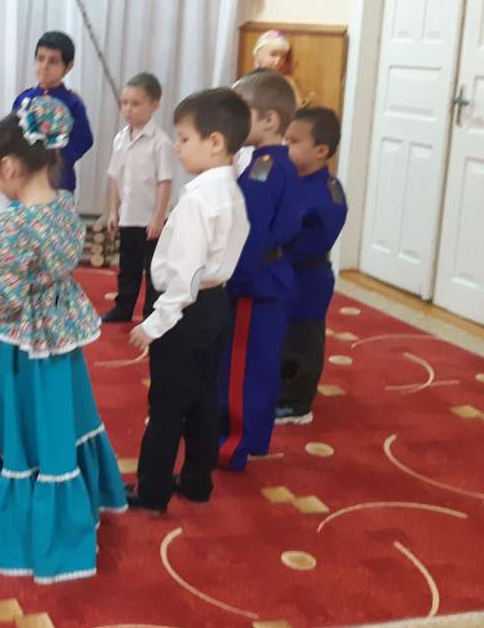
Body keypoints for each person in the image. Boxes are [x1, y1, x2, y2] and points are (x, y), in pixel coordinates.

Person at [0, 96, 126, 584]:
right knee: (55, 417)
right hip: (58, 339)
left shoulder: (11, 224)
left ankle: (21, 524)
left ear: (8, 166)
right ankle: (68, 500)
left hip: (16, 348)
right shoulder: (66, 208)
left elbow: (4, 297)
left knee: (17, 424)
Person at [124, 88, 251, 512]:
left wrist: (154, 323)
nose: (176, 147)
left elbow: (186, 274)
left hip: (184, 311)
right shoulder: (231, 190)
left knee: (166, 404)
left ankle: (152, 489)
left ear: (215, 142)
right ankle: (197, 479)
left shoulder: (198, 199)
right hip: (215, 306)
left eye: (183, 139)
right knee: (203, 396)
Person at [218, 70, 303, 471]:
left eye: (242, 112)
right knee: (258, 363)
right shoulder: (274, 164)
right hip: (270, 277)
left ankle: (232, 444)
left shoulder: (263, 171)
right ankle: (251, 436)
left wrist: (233, 281)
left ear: (269, 120)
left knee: (242, 367)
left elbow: (250, 234)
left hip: (254, 283)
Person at [276, 107, 348, 425]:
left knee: (302, 340)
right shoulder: (289, 177)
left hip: (308, 278)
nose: (284, 145)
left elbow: (314, 241)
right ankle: (278, 390)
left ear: (320, 151)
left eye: (293, 141)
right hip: (281, 273)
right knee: (279, 336)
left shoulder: (327, 193)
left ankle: (297, 403)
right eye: (284, 138)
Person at [102, 72, 176, 323]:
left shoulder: (160, 142)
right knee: (127, 266)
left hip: (151, 219)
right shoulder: (120, 139)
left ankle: (152, 313)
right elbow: (114, 177)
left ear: (154, 105)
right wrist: (113, 211)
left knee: (153, 269)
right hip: (128, 216)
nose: (128, 109)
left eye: (135, 103)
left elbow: (164, 181)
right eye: (124, 103)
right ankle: (123, 308)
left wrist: (158, 218)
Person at [11, 31, 94, 192]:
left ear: (68, 66)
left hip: (60, 180)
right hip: (27, 178)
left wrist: (59, 154)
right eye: (40, 58)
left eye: (53, 61)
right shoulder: (23, 99)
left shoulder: (73, 103)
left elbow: (85, 139)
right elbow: (11, 134)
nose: (45, 65)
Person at [252, 30, 305, 106]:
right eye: (273, 55)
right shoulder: (251, 81)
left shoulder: (287, 81)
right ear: (258, 55)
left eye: (282, 57)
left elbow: (298, 104)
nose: (278, 60)